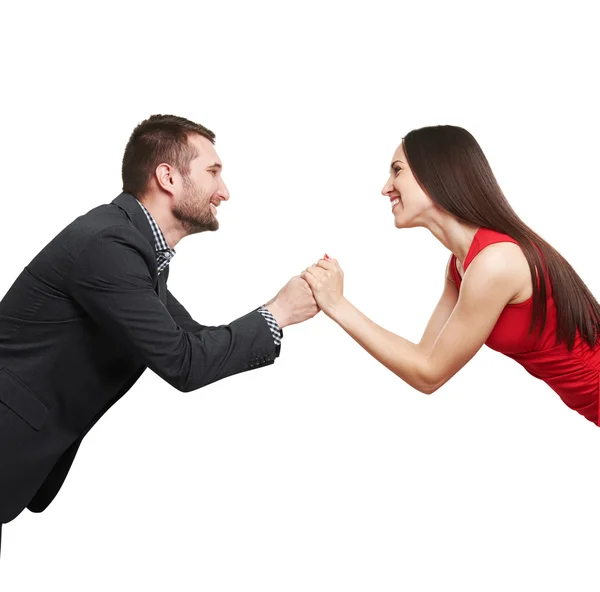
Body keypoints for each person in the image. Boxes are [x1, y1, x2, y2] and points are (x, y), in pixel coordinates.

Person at [0, 114, 319, 554]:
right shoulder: (109, 247)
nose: (224, 192)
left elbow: (192, 341)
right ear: (167, 176)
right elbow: (183, 362)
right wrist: (279, 311)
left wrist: (283, 310)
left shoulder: (132, 250)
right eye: (213, 172)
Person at [302, 125, 600, 426]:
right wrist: (335, 303)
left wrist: (337, 305)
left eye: (397, 171)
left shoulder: (495, 262)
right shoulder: (460, 266)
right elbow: (424, 356)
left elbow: (429, 376)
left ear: (435, 174)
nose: (386, 188)